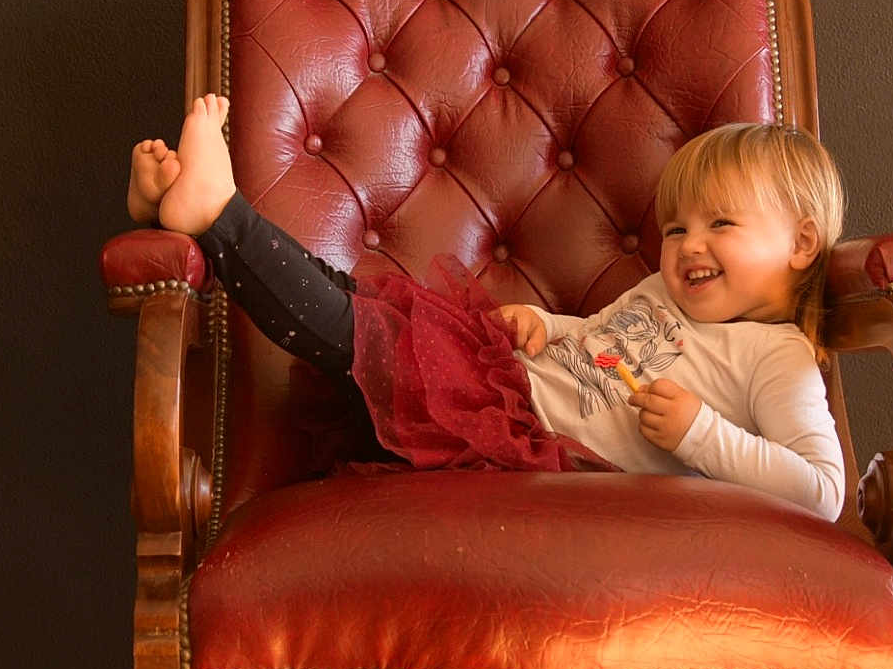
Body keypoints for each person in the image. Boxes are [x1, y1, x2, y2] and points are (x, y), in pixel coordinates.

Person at [127, 94, 846, 521]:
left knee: (353, 334)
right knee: (363, 305)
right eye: (679, 226)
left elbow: (822, 490)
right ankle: (198, 215)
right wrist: (550, 325)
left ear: (802, 243)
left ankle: (217, 214)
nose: (690, 244)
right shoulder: (665, 294)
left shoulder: (777, 357)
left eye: (721, 225)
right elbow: (601, 340)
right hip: (508, 377)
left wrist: (702, 433)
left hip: (521, 438)